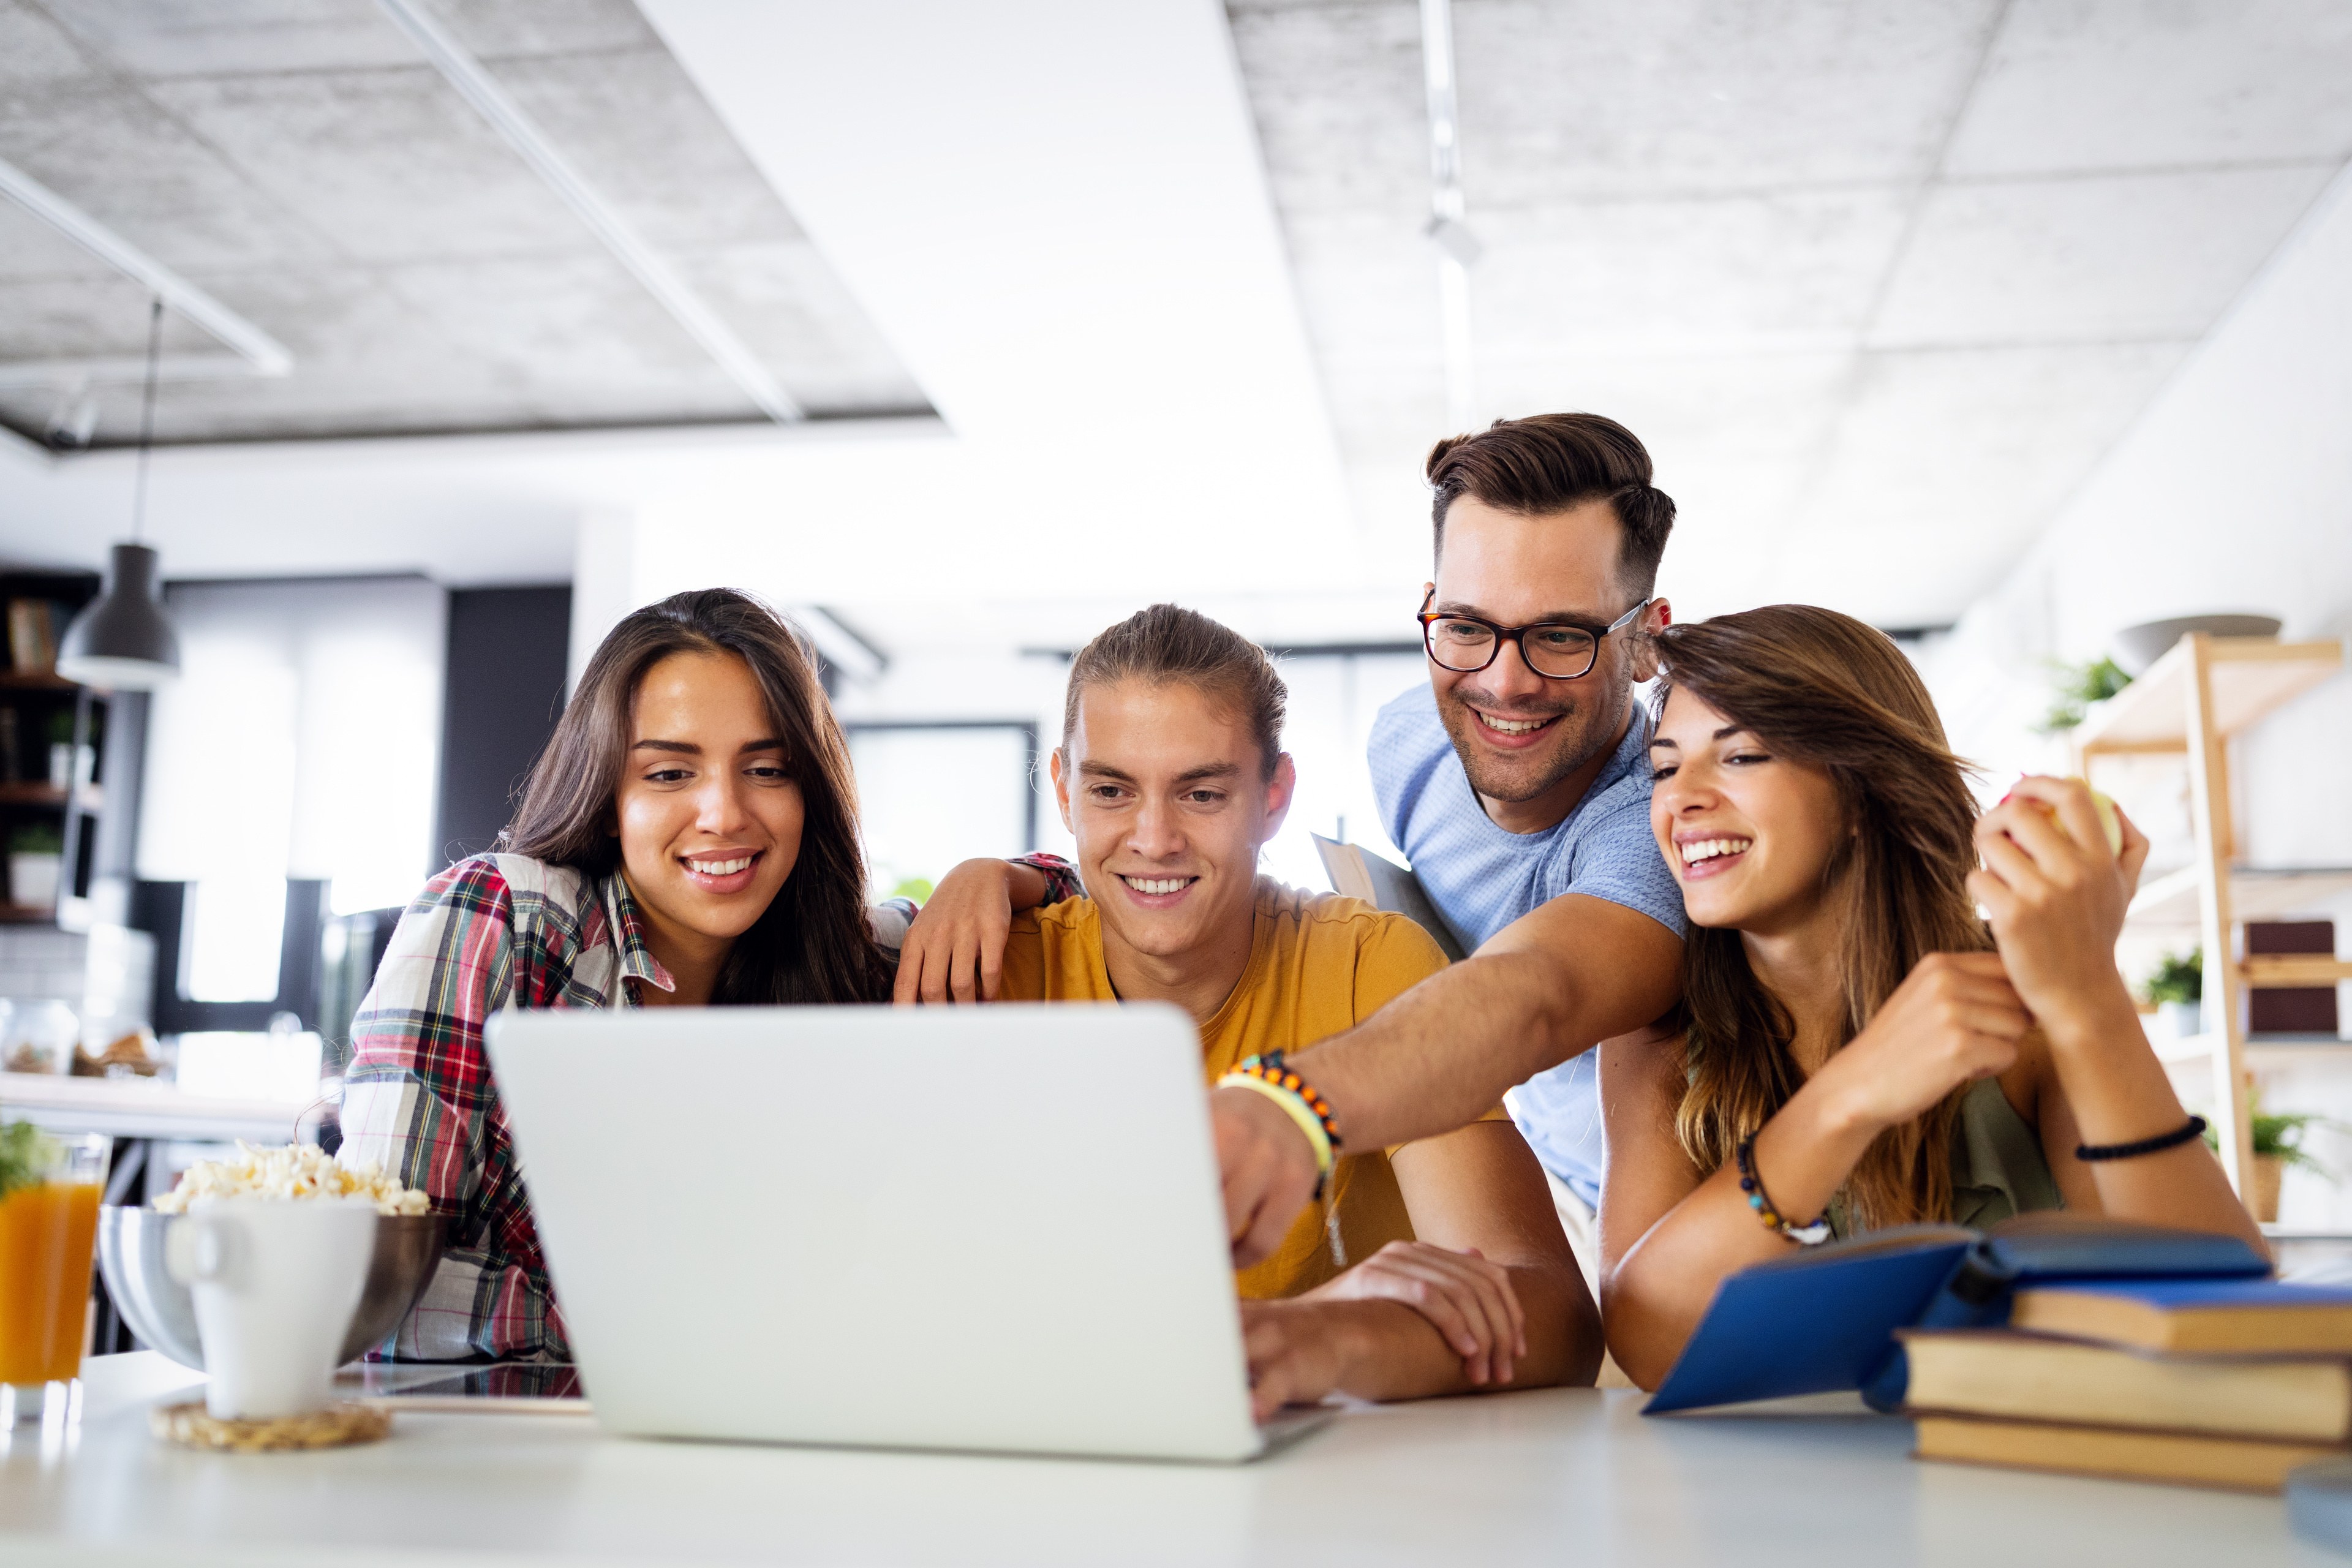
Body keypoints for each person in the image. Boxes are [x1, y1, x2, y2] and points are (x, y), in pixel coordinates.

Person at [1599, 606, 2265, 1389]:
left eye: (1741, 756)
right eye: (1667, 767)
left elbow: (2230, 1320)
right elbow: (1645, 1343)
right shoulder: (1660, 1036)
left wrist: (2088, 999)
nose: (1683, 800)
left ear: (1860, 789)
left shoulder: (2024, 1016)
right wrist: (1849, 1097)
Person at [995, 604, 1601, 1416]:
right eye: (1112, 790)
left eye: (1202, 793)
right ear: (1066, 791)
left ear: (1273, 795)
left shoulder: (1366, 962)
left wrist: (1320, 1339)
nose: (1153, 838)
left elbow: (1555, 1321)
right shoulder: (997, 973)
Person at [343, 590, 927, 1359]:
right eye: (670, 773)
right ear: (609, 793)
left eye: (767, 767)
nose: (724, 812)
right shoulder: (504, 916)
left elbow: (1094, 902)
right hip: (491, 1453)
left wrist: (1003, 878)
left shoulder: (850, 962)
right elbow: (372, 1284)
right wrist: (664, 1330)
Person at [1210, 413, 1686, 1280]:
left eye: (1561, 636)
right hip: (1537, 1168)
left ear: (1646, 639)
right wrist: (1028, 879)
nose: (1504, 684)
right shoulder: (1409, 745)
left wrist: (1289, 1106)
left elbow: (1539, 993)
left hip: (1681, 1222)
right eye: (1467, 626)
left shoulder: (1664, 824)